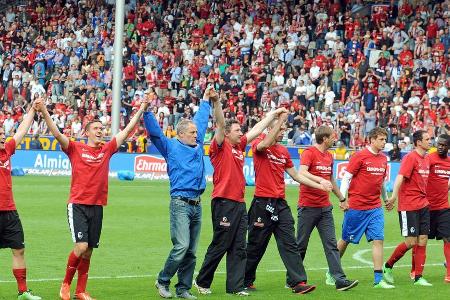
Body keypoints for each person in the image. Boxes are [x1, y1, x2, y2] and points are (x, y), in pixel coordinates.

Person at [35, 96, 149, 300]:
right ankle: (66, 285)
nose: (101, 132)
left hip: (97, 206)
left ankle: (81, 291)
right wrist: (43, 110)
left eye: (102, 129)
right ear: (86, 133)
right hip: (78, 204)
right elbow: (56, 132)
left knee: (89, 252)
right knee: (81, 246)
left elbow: (127, 131)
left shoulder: (107, 150)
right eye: (96, 129)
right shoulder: (75, 148)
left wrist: (141, 109)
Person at [194, 96, 288, 295]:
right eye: (237, 130)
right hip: (223, 202)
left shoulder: (238, 146)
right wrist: (217, 102)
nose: (241, 133)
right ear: (226, 134)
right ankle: (202, 281)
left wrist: (273, 115)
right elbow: (220, 123)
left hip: (239, 203)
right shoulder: (219, 146)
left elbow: (256, 131)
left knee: (239, 247)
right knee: (221, 244)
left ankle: (235, 286)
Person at [244, 113, 333, 294]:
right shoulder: (260, 143)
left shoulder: (283, 151)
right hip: (262, 202)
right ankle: (245, 279)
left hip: (280, 204)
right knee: (256, 245)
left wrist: (320, 184)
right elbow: (265, 144)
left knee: (290, 243)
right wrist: (280, 120)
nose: (283, 133)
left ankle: (298, 282)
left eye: (284, 130)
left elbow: (296, 175)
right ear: (271, 129)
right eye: (280, 129)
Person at [144, 87, 213, 299]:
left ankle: (183, 288)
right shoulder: (170, 146)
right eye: (192, 133)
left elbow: (201, 121)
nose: (197, 134)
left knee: (191, 251)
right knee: (182, 246)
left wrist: (206, 101)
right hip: (180, 203)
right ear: (181, 134)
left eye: (195, 132)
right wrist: (147, 111)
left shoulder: (198, 144)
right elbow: (155, 132)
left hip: (197, 204)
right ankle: (162, 280)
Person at [292, 125, 358, 291]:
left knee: (331, 244)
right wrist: (319, 180)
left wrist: (342, 198)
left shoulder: (329, 156)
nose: (335, 139)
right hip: (307, 207)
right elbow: (302, 172)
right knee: (301, 245)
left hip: (324, 208)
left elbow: (331, 180)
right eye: (332, 137)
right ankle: (293, 278)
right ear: (324, 138)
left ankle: (340, 280)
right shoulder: (309, 153)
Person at [337, 127, 394, 288]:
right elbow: (346, 178)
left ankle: (378, 280)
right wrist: (343, 199)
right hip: (356, 207)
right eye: (381, 139)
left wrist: (386, 199)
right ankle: (332, 270)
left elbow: (382, 182)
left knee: (378, 240)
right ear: (372, 140)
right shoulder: (360, 156)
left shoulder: (383, 159)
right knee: (346, 240)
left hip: (375, 208)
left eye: (385, 139)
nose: (384, 142)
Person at [0, 103, 41, 300]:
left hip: (9, 210)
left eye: (2, 132)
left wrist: (32, 110)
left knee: (19, 249)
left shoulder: (7, 150)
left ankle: (23, 292)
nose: (2, 136)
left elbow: (22, 131)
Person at [383, 130, 432, 286]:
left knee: (423, 240)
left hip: (423, 205)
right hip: (409, 206)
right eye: (427, 139)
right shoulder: (410, 158)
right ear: (418, 142)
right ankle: (387, 266)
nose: (430, 141)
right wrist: (393, 197)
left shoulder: (427, 159)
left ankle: (418, 277)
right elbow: (399, 177)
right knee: (411, 242)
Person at [410, 134, 450, 283]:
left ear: (448, 147)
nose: (440, 146)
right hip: (425, 207)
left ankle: (449, 274)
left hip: (443, 207)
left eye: (444, 145)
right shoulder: (429, 158)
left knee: (448, 238)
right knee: (419, 241)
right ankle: (415, 270)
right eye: (438, 144)